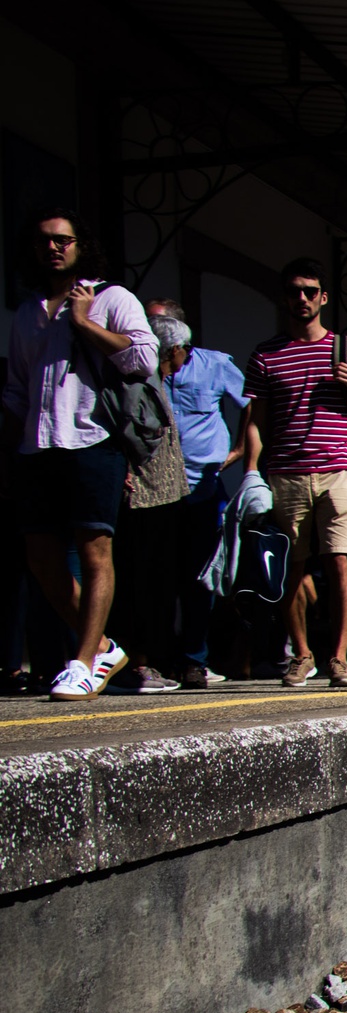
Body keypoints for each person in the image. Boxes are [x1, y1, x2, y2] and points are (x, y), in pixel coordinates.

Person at [1, 209, 158, 700]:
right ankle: (106, 647)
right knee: (42, 558)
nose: (54, 248)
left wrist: (85, 322)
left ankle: (84, 661)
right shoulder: (27, 312)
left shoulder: (111, 298)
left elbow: (143, 359)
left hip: (93, 440)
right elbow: (17, 390)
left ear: (80, 246)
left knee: (94, 552)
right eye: (45, 240)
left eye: (64, 240)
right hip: (37, 447)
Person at [242, 257, 347, 688]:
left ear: (323, 297)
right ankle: (302, 654)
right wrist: (251, 472)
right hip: (286, 473)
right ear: (283, 297)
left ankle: (339, 658)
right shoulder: (265, 355)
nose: (301, 298)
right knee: (292, 568)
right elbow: (255, 421)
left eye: (309, 291)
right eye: (293, 291)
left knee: (340, 563)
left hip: (338, 469)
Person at [148, 302, 247, 688]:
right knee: (158, 576)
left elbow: (252, 402)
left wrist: (239, 452)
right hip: (156, 486)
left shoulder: (215, 364)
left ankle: (194, 658)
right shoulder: (145, 365)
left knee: (199, 577)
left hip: (203, 486)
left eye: (159, 322)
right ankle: (158, 658)